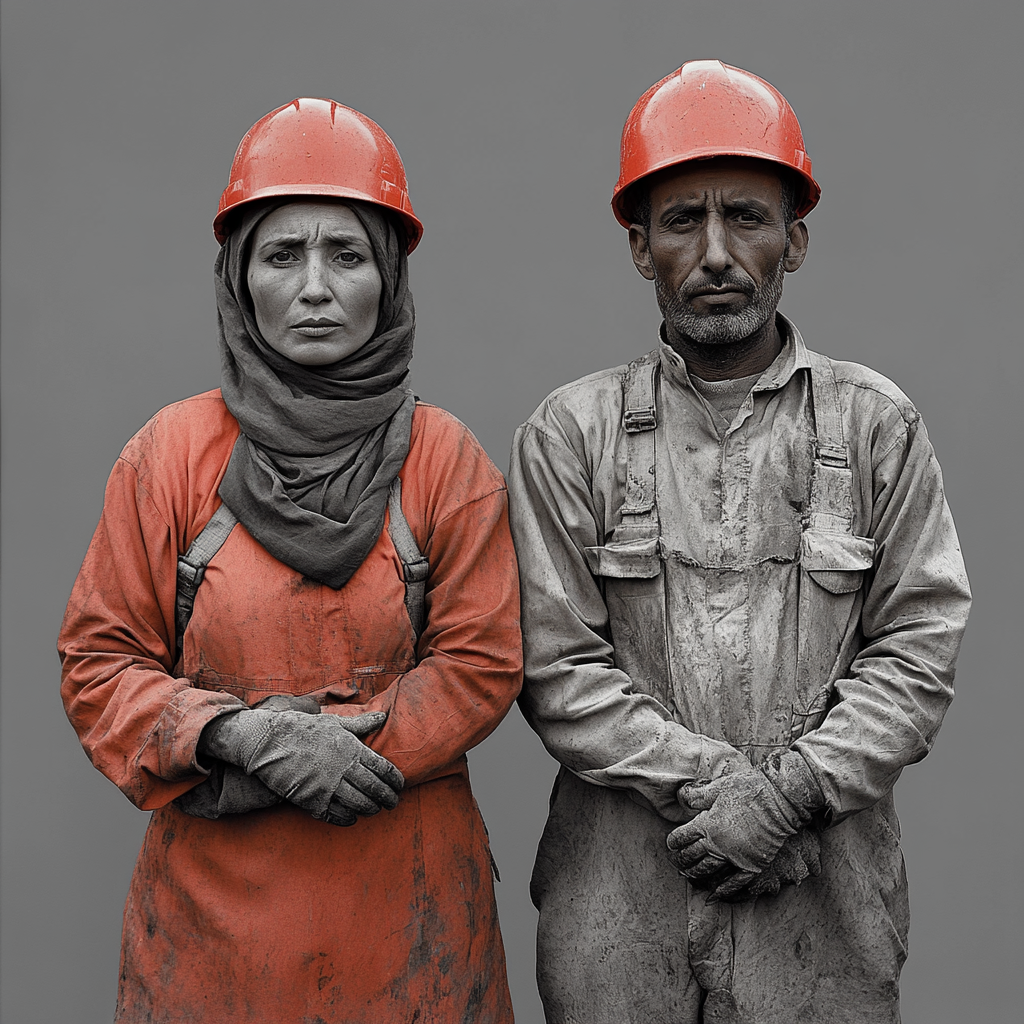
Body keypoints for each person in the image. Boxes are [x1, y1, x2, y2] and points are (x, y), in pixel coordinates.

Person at [508, 60, 971, 1023]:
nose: (716, 253)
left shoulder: (876, 423)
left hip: (823, 909)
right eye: (682, 222)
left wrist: (794, 793)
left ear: (793, 240)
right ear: (640, 247)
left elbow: (919, 648)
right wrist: (723, 788)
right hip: (618, 910)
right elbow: (553, 666)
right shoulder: (571, 434)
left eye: (746, 219)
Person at [59, 98, 521, 1024]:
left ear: (388, 278)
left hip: (414, 929)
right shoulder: (167, 456)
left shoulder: (445, 459)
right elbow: (99, 668)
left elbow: (482, 664)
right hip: (210, 945)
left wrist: (338, 754)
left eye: (346, 256)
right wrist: (250, 740)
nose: (315, 287)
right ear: (240, 280)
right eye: (283, 256)